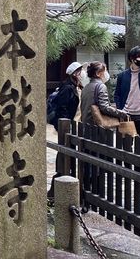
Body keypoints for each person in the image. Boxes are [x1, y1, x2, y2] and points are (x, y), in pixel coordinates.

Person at [47, 61, 84, 201]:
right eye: (80, 71)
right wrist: (64, 124)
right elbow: (62, 106)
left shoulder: (75, 86)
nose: (82, 74)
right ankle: (62, 174)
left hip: (73, 123)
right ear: (74, 73)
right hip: (67, 125)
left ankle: (65, 173)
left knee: (67, 150)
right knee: (64, 150)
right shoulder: (67, 88)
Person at [81, 61, 126, 126]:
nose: (106, 73)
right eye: (105, 71)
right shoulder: (101, 86)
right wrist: (121, 113)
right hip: (97, 124)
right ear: (98, 73)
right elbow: (104, 107)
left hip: (86, 124)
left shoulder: (86, 87)